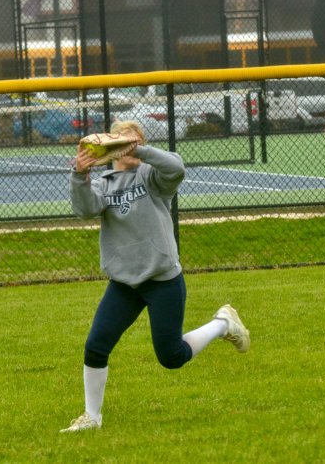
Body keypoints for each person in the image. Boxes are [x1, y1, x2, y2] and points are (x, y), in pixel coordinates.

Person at [61, 119, 250, 433]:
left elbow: (176, 168)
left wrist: (143, 152)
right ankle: (92, 418)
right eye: (121, 140)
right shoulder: (105, 183)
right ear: (110, 146)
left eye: (133, 140)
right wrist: (79, 175)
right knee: (96, 345)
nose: (127, 144)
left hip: (162, 280)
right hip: (125, 283)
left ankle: (223, 324)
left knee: (171, 356)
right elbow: (84, 209)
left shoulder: (152, 177)